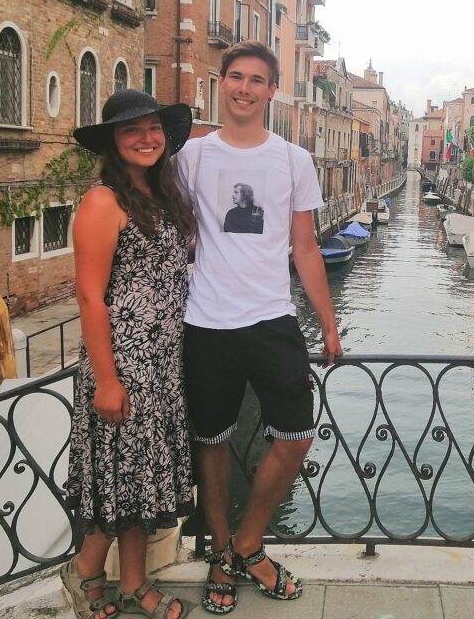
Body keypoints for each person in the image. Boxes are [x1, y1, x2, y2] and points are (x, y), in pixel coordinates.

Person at [174, 41, 342, 614]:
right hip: (205, 321)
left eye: (256, 80)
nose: (244, 88)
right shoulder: (192, 156)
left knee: (296, 436)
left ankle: (248, 542)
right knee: (211, 442)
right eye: (236, 77)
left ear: (272, 90)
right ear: (221, 83)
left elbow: (305, 247)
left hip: (273, 319)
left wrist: (329, 323)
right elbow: (169, 228)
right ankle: (222, 552)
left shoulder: (293, 160)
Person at [63, 90, 197, 619]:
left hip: (162, 364)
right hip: (124, 363)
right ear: (114, 142)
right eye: (131, 130)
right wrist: (106, 380)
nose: (146, 138)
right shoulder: (103, 201)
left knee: (139, 483)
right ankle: (85, 572)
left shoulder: (161, 194)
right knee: (120, 480)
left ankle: (135, 583)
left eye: (153, 128)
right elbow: (89, 297)